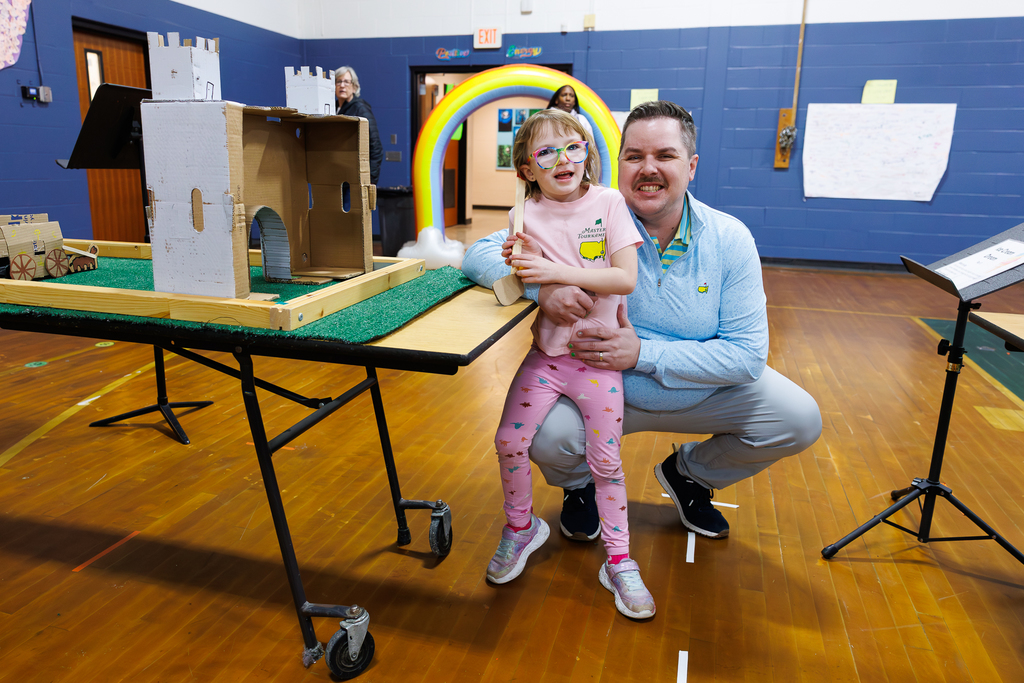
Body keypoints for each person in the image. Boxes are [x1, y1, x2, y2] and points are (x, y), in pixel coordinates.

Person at [463, 100, 821, 544]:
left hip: (701, 388)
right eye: (634, 156)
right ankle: (580, 486)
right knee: (546, 437)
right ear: (618, 163)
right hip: (601, 385)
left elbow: (747, 357)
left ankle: (690, 474)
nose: (647, 169)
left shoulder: (730, 238)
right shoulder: (587, 212)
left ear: (691, 166)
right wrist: (543, 288)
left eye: (664, 156)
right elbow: (478, 252)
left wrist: (643, 354)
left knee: (799, 418)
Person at [481, 109, 655, 619]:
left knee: (606, 463)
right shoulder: (523, 213)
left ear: (588, 153)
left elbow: (624, 279)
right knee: (508, 441)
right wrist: (524, 271)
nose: (563, 160)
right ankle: (521, 528)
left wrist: (553, 274)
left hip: (598, 361)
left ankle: (619, 561)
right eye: (546, 152)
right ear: (526, 169)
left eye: (573, 148)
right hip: (547, 357)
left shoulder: (609, 203)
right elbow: (510, 279)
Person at [334, 66, 383, 185]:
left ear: (354, 87)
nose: (342, 85)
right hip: (340, 176)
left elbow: (376, 148)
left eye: (346, 82)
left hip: (357, 180)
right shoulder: (333, 108)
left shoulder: (360, 109)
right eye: (338, 81)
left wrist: (369, 181)